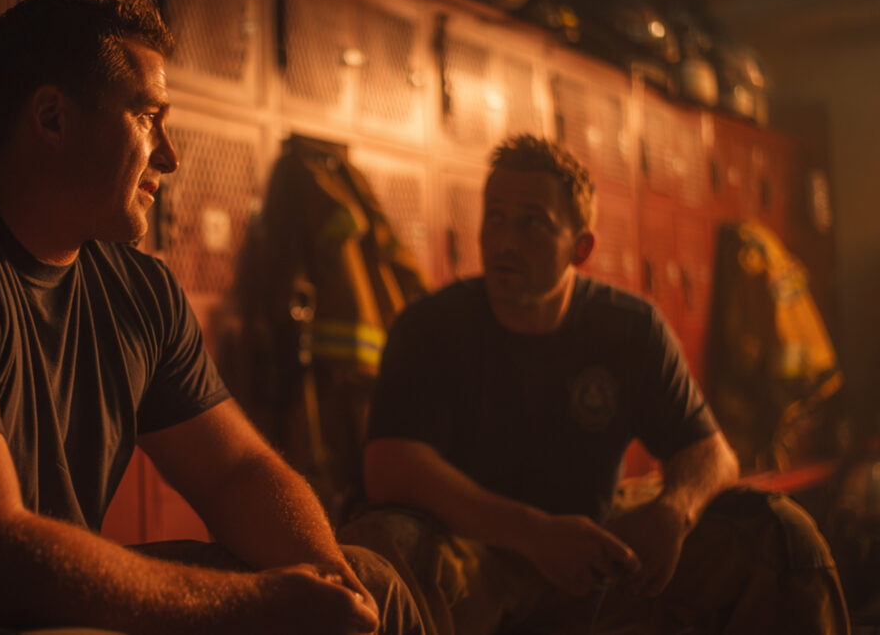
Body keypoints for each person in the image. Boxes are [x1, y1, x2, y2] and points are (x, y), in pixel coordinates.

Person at [0, 0, 423, 635]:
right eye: (148, 116)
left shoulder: (138, 289)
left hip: (37, 594)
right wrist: (261, 606)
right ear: (51, 118)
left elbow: (236, 471)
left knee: (370, 582)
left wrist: (325, 582)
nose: (170, 155)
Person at [340, 135, 850, 635]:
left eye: (532, 224)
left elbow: (712, 452)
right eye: (495, 217)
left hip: (595, 549)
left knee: (778, 532)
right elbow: (389, 466)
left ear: (580, 248)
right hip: (471, 551)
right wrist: (534, 533)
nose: (504, 241)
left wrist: (675, 511)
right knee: (381, 547)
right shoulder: (431, 325)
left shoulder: (629, 327)